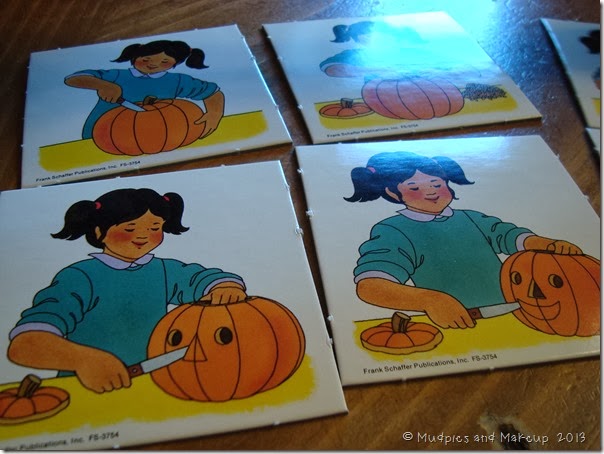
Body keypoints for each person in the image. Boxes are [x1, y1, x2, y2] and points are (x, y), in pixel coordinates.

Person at [7, 188, 246, 393]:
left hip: (155, 382)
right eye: (130, 229)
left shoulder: (162, 270)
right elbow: (26, 343)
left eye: (154, 227)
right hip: (87, 387)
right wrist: (83, 360)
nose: (143, 236)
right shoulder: (80, 277)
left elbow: (197, 279)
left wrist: (224, 286)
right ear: (99, 232)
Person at [345, 151, 582, 329]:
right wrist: (431, 301)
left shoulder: (470, 218)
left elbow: (506, 235)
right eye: (414, 187)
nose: (431, 191)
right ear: (392, 193)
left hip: (519, 313)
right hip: (459, 325)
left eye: (437, 184)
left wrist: (542, 244)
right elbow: (371, 286)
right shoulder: (393, 230)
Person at [65, 39, 224, 139]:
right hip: (102, 133)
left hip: (155, 135)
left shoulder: (177, 81)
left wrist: (214, 114)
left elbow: (212, 92)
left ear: (174, 64)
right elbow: (73, 79)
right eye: (146, 59)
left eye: (164, 62)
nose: (153, 64)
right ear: (135, 56)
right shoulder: (116, 75)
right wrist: (103, 85)